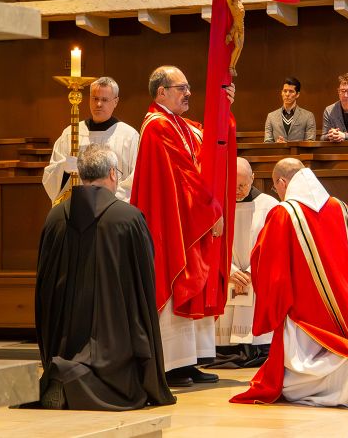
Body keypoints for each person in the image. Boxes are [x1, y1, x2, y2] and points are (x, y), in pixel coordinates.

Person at [231, 159, 348, 410]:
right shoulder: (342, 208)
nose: (278, 193)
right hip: (345, 302)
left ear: (282, 182)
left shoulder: (284, 213)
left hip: (303, 308)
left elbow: (270, 266)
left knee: (302, 367)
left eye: (276, 188)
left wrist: (273, 303)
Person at [36, 144, 176, 410]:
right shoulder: (128, 218)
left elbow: (44, 286)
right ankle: (88, 382)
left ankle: (62, 373)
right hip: (114, 343)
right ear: (113, 174)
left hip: (63, 338)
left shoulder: (55, 217)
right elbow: (143, 285)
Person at [130, 65, 236, 387]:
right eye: (181, 88)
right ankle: (172, 365)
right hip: (169, 222)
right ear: (161, 92)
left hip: (188, 218)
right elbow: (185, 175)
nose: (188, 93)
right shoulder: (156, 126)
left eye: (189, 87)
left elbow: (214, 148)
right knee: (174, 281)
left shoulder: (182, 125)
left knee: (192, 283)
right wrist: (211, 210)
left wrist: (226, 110)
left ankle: (189, 361)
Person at [210, 158, 278, 368]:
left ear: (253, 178)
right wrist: (228, 269)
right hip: (227, 273)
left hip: (255, 276)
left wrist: (250, 271)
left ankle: (256, 346)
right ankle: (224, 349)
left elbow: (273, 245)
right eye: (233, 185)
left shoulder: (269, 206)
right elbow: (211, 242)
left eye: (243, 185)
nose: (238, 190)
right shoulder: (216, 205)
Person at [43, 76, 139, 202]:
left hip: (113, 209)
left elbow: (136, 178)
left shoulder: (129, 136)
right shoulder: (71, 133)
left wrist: (108, 201)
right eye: (95, 98)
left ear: (115, 102)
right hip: (78, 207)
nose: (99, 104)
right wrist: (64, 169)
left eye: (104, 100)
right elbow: (51, 177)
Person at [213, 0, 253, 76]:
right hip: (235, 27)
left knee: (240, 48)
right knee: (237, 47)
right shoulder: (231, 3)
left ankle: (234, 67)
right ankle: (231, 67)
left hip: (242, 27)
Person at [263, 77, 316, 142]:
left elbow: (310, 142)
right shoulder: (271, 116)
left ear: (297, 94)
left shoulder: (308, 116)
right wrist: (277, 145)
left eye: (291, 91)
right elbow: (267, 142)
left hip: (299, 152)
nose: (287, 94)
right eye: (285, 91)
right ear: (281, 93)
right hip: (278, 152)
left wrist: (288, 145)